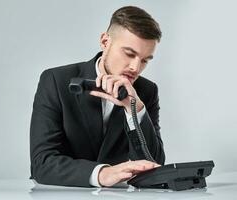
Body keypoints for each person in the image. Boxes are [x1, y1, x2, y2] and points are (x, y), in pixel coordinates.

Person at [30, 6, 165, 187]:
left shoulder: (146, 91)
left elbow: (155, 166)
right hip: (60, 193)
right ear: (104, 41)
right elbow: (42, 163)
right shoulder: (56, 80)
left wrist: (135, 110)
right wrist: (102, 173)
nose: (135, 67)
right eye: (129, 54)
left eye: (145, 60)